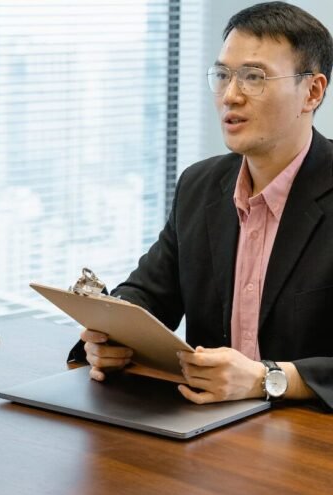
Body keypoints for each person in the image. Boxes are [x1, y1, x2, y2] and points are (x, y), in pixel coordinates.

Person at [77, 1, 333, 409]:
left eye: (253, 77)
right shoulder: (200, 185)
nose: (231, 95)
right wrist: (111, 337)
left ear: (312, 91)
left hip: (307, 444)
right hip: (205, 431)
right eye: (223, 75)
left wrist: (270, 378)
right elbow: (147, 294)